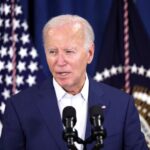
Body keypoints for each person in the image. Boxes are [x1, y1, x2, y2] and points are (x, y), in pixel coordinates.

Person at [1, 14, 148, 150]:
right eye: (52, 52)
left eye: (69, 51)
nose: (60, 62)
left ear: (89, 53)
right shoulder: (19, 107)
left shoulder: (122, 105)